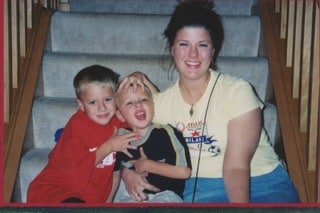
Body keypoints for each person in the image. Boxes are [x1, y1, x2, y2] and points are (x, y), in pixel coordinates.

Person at [118, 0, 300, 203]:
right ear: (172, 50)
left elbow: (237, 167)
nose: (193, 54)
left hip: (261, 181)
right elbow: (123, 143)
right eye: (184, 44)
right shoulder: (157, 105)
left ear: (213, 52)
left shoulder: (237, 91)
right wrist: (127, 175)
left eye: (202, 45)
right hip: (197, 190)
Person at [27, 65, 138, 203]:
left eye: (108, 100)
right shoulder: (77, 125)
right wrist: (109, 146)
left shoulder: (117, 121)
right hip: (57, 190)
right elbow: (73, 173)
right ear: (81, 105)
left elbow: (139, 130)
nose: (102, 108)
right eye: (92, 102)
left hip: (88, 198)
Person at [113, 82, 191, 202]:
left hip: (166, 194)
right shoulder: (121, 137)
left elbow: (184, 172)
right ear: (120, 115)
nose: (138, 104)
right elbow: (115, 171)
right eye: (129, 103)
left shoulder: (167, 132)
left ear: (153, 105)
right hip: (133, 194)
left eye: (144, 100)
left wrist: (146, 165)